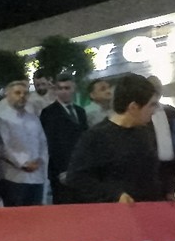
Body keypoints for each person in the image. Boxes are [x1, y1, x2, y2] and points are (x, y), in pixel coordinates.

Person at [66, 73, 162, 203]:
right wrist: (115, 195)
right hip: (114, 216)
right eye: (152, 105)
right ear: (133, 107)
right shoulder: (96, 137)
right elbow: (77, 178)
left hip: (147, 212)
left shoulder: (144, 132)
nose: (155, 110)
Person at [0, 80, 48, 207]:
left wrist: (39, 161)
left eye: (25, 93)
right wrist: (24, 163)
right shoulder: (2, 117)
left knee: (35, 218)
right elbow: (4, 146)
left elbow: (42, 142)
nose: (22, 96)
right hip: (14, 177)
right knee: (15, 220)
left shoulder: (33, 118)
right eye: (17, 93)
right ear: (8, 94)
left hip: (37, 176)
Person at [40, 73, 88, 204]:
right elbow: (51, 143)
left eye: (67, 88)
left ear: (74, 88)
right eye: (60, 88)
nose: (63, 92)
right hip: (61, 170)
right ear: (55, 90)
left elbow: (85, 140)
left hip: (81, 168)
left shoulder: (80, 112)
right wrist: (61, 169)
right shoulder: (48, 112)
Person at [147, 76, 175, 201]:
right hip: (151, 167)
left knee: (170, 201)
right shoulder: (143, 113)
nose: (155, 92)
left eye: (157, 89)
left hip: (170, 166)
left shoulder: (171, 112)